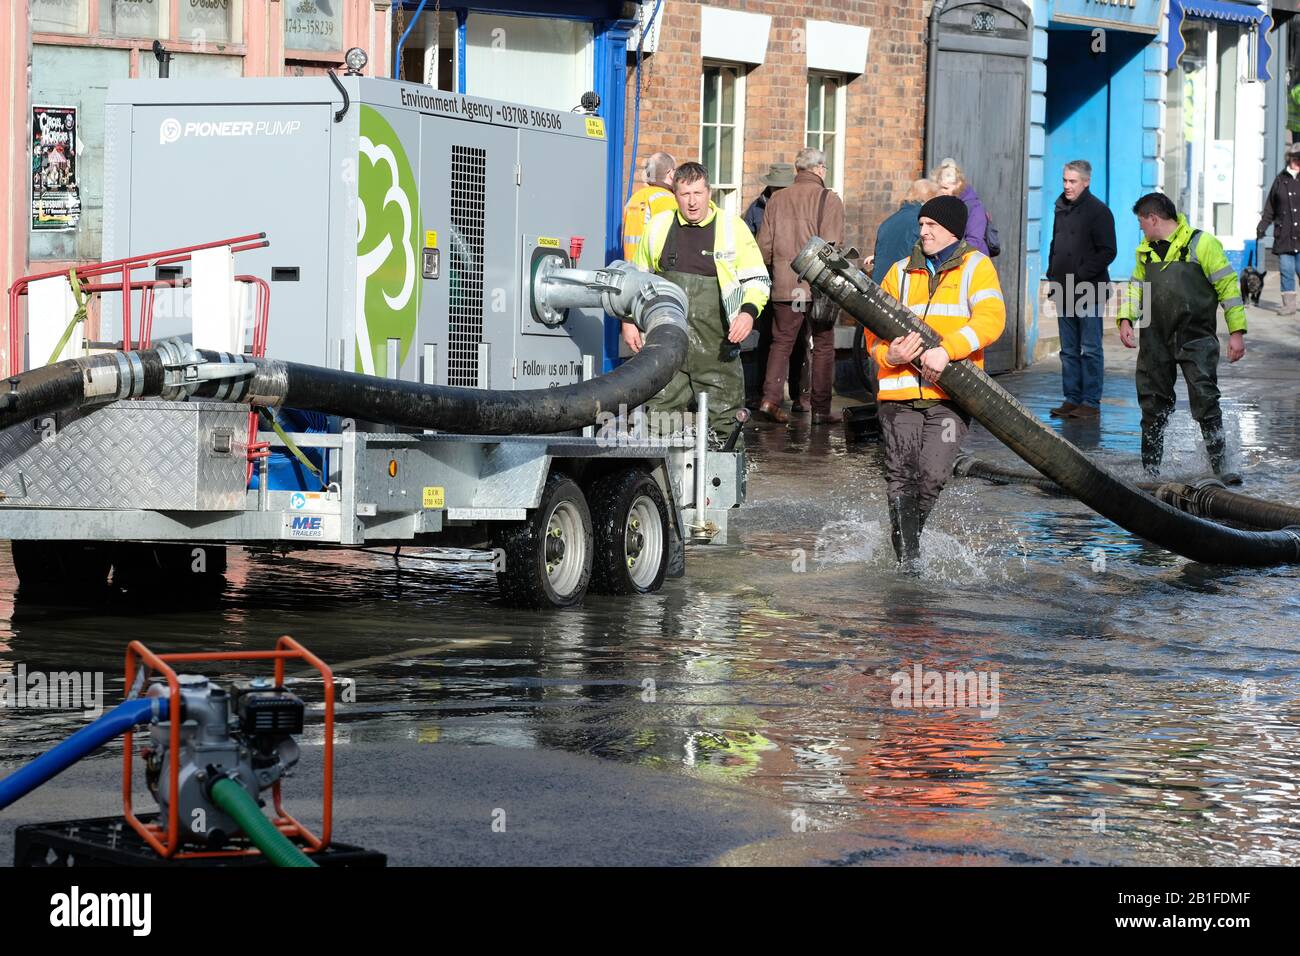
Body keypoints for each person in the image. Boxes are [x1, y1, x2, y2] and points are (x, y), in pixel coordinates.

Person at [868, 194, 1006, 567]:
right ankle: (908, 561)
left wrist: (948, 349)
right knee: (901, 475)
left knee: (931, 475)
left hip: (951, 394)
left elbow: (992, 319)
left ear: (951, 231)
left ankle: (906, 542)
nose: (923, 231)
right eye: (922, 225)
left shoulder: (977, 268)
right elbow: (872, 333)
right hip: (898, 393)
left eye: (931, 225)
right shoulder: (899, 271)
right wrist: (888, 355)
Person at [629, 162, 771, 443]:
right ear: (675, 194)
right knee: (657, 422)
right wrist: (628, 323)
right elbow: (636, 279)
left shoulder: (733, 228)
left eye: (697, 193)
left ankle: (723, 485)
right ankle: (661, 485)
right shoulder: (659, 227)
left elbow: (757, 280)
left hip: (718, 349)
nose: (692, 202)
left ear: (709, 193)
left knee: (727, 428)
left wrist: (747, 313)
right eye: (685, 194)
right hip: (667, 347)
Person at [1116, 193, 1247, 481]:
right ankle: (1151, 473)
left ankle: (1222, 469)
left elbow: (1228, 287)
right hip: (1155, 339)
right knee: (1152, 404)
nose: (1141, 230)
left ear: (1153, 219)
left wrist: (1236, 332)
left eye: (1142, 223)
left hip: (1196, 337)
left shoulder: (1203, 244)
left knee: (1205, 398)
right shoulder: (1145, 253)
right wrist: (1126, 318)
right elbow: (1136, 289)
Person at [755, 147, 845, 425]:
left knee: (781, 343)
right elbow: (832, 247)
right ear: (819, 169)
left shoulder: (777, 198)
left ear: (798, 170)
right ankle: (819, 409)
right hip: (816, 287)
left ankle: (770, 400)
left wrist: (778, 273)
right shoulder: (829, 199)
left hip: (784, 285)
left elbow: (764, 247)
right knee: (822, 344)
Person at [1046, 160, 1117, 420]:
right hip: (1063, 288)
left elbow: (1108, 251)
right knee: (1068, 349)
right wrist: (1052, 274)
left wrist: (1080, 274)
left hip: (1089, 289)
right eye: (1065, 180)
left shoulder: (1098, 211)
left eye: (1072, 181)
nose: (1067, 186)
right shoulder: (1060, 208)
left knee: (1090, 348)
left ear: (1085, 182)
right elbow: (1057, 244)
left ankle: (1090, 402)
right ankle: (1072, 398)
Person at [741, 163, 808, 411]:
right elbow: (747, 240)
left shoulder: (796, 207)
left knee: (798, 339)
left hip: (795, 281)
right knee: (767, 338)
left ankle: (800, 395)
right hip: (766, 281)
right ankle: (763, 394)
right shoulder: (757, 208)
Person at [1256, 142, 1300, 316]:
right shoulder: (1280, 180)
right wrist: (1262, 227)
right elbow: (1270, 208)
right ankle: (1289, 306)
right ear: (1289, 158)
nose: (1298, 161)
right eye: (1296, 158)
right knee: (1287, 271)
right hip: (1284, 235)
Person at [872, 179, 940, 283]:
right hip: (904, 286)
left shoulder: (887, 223)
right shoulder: (923, 223)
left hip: (880, 284)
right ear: (929, 200)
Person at [621, 151, 677, 261]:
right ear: (670, 173)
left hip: (630, 267)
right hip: (650, 269)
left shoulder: (635, 197)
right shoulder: (667, 199)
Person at [933, 158, 990, 256]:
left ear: (958, 185)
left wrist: (952, 257)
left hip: (972, 260)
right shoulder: (943, 204)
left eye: (946, 188)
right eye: (940, 187)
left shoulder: (974, 206)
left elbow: (974, 240)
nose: (942, 191)